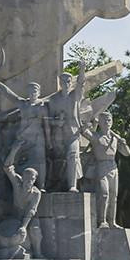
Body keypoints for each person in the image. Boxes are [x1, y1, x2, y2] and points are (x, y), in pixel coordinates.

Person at [0, 72, 50, 189]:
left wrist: (49, 142)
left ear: (39, 93)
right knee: (13, 158)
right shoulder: (22, 104)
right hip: (23, 137)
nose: (32, 93)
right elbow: (7, 93)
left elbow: (46, 126)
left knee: (41, 161)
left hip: (37, 138)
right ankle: (14, 184)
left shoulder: (42, 107)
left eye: (35, 91)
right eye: (30, 91)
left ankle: (42, 186)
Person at [81, 111, 130, 228]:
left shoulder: (114, 138)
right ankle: (102, 220)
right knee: (104, 194)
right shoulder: (96, 136)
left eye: (109, 120)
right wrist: (88, 122)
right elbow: (83, 131)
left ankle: (112, 221)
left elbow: (127, 153)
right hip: (101, 166)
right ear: (100, 122)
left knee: (113, 196)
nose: (107, 122)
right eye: (104, 120)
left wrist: (123, 144)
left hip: (113, 167)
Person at [46, 61, 86, 192]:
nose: (66, 84)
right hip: (58, 136)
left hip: (73, 134)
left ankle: (72, 186)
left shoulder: (75, 95)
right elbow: (49, 120)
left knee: (73, 155)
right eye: (63, 81)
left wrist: (82, 70)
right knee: (58, 162)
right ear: (59, 83)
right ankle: (55, 185)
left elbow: (81, 83)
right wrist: (56, 122)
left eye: (68, 81)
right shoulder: (53, 99)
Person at [3, 141, 43, 258]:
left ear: (35, 180)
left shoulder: (36, 193)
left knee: (35, 229)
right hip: (15, 213)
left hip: (28, 216)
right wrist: (14, 150)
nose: (29, 181)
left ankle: (38, 252)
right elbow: (7, 168)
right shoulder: (17, 182)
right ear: (23, 177)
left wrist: (24, 226)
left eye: (32, 179)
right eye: (27, 177)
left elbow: (31, 210)